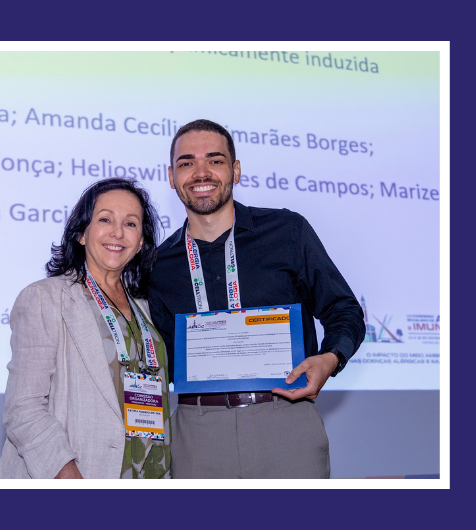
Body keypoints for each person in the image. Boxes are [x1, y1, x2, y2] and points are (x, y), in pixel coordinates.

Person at [148, 119, 366, 479]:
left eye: (215, 160)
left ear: (235, 170)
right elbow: (158, 358)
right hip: (197, 433)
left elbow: (344, 309)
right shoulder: (157, 265)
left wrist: (330, 359)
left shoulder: (286, 231)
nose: (201, 172)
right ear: (172, 177)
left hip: (285, 422)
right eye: (187, 163)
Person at [0, 177, 171, 479]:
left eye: (130, 223)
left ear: (141, 241)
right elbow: (23, 407)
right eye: (105, 219)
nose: (118, 232)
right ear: (81, 233)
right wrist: (67, 475)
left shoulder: (145, 307)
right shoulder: (46, 298)